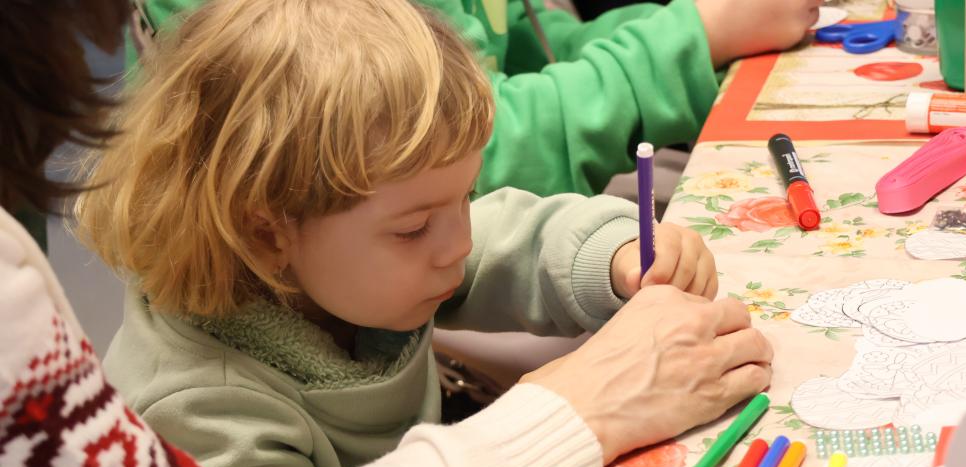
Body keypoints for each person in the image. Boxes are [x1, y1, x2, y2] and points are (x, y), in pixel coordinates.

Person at [1, 0, 772, 467]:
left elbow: (505, 237)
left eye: (460, 199)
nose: (457, 241)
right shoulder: (202, 407)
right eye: (414, 225)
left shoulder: (352, 261)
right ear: (266, 230)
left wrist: (612, 254)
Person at [126, 0, 821, 198]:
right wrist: (692, 39)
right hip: (375, 268)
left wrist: (706, 26)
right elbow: (439, 156)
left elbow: (525, 51)